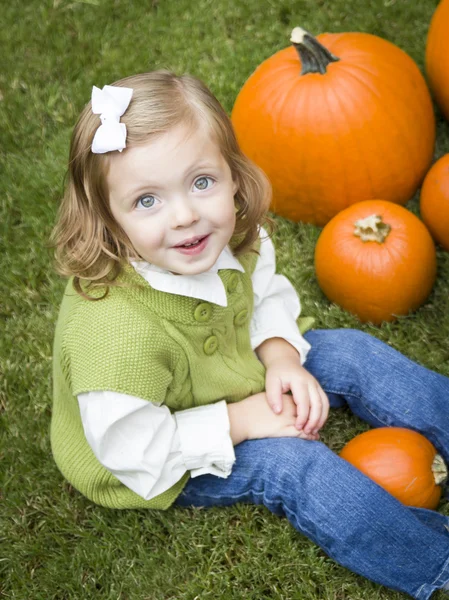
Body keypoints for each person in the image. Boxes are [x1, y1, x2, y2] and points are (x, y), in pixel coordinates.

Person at [50, 70, 449, 599]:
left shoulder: (227, 230)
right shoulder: (114, 332)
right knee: (294, 465)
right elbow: (134, 448)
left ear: (232, 175)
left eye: (201, 182)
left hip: (241, 363)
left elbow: (262, 288)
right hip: (164, 446)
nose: (186, 216)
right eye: (147, 200)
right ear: (105, 218)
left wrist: (280, 355)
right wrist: (241, 419)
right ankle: (434, 563)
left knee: (349, 353)